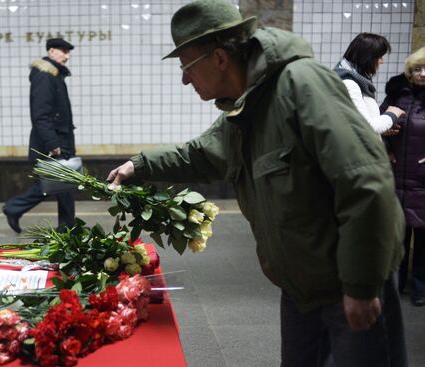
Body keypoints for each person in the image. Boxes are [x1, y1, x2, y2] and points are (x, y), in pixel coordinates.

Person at [106, 0, 407, 365]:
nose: (185, 78)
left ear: (219, 58)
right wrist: (137, 165)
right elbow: (202, 154)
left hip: (348, 284)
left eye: (187, 66)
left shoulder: (301, 86)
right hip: (301, 288)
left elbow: (366, 183)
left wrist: (361, 286)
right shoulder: (245, 105)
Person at [3, 38, 76, 233]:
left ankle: (67, 228)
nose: (67, 56)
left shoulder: (54, 76)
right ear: (51, 51)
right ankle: (14, 207)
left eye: (68, 52)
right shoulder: (45, 76)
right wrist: (54, 144)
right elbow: (40, 115)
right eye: (63, 51)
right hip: (52, 143)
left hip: (61, 140)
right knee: (50, 185)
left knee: (64, 185)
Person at [381, 47, 425, 307]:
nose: (422, 74)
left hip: (422, 181)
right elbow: (380, 124)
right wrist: (386, 148)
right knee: (397, 236)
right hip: (397, 177)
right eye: (417, 69)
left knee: (424, 241)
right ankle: (394, 286)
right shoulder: (398, 95)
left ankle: (420, 287)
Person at [334, 33, 405, 136]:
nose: (381, 61)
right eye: (379, 57)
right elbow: (366, 128)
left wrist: (384, 126)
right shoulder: (349, 84)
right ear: (368, 58)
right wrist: (392, 114)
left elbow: (357, 125)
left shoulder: (357, 80)